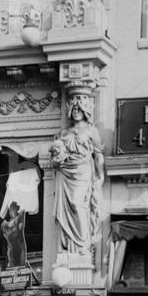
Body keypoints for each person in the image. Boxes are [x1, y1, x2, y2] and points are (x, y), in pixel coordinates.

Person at [49, 92, 103, 260]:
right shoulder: (64, 133)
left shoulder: (91, 131)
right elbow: (55, 157)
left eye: (79, 109)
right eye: (73, 109)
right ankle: (70, 247)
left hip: (83, 171)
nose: (76, 111)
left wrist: (100, 175)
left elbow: (98, 155)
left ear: (86, 110)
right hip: (65, 173)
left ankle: (83, 244)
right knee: (67, 207)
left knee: (78, 204)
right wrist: (56, 160)